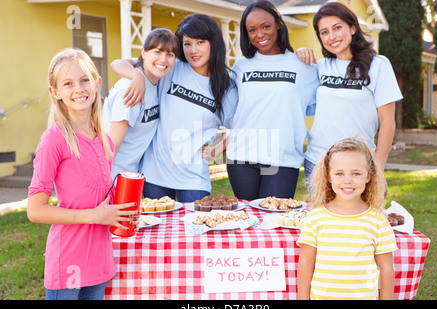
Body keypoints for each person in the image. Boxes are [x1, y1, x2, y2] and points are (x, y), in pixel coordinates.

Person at [27, 48, 138, 300]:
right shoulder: (54, 140)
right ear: (55, 92)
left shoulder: (104, 141)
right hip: (68, 264)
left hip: (99, 264)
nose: (78, 89)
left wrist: (121, 212)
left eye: (84, 80)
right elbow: (35, 210)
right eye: (68, 83)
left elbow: (99, 198)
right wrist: (95, 215)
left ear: (97, 84)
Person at [110, 14, 238, 202]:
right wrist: (136, 76)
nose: (193, 50)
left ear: (214, 43)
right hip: (155, 173)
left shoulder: (226, 87)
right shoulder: (170, 67)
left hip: (193, 178)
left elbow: (241, 125)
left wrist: (216, 150)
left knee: (195, 228)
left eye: (200, 42)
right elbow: (118, 64)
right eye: (187, 43)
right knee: (158, 229)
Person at [296, 2, 403, 194]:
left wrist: (378, 170)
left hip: (358, 167)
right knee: (321, 221)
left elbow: (387, 122)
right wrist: (298, 55)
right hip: (319, 163)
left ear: (352, 28)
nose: (332, 36)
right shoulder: (319, 67)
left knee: (358, 222)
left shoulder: (378, 65)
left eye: (337, 28)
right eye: (324, 32)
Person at [224, 0, 318, 200]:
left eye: (265, 26)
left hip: (283, 159)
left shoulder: (304, 66)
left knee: (274, 220)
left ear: (278, 24)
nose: (260, 34)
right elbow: (232, 112)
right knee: (247, 220)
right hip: (242, 158)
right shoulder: (241, 66)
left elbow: (314, 107)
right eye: (252, 30)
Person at [297, 138, 397, 300]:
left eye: (356, 173)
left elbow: (386, 268)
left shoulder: (378, 221)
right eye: (339, 173)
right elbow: (306, 264)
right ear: (328, 176)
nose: (347, 180)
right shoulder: (315, 219)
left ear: (369, 176)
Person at [102, 28, 178, 179]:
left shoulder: (156, 81)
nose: (163, 60)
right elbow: (111, 147)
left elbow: (120, 63)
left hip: (130, 176)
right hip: (112, 178)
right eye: (157, 51)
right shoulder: (131, 90)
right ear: (143, 53)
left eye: (169, 54)